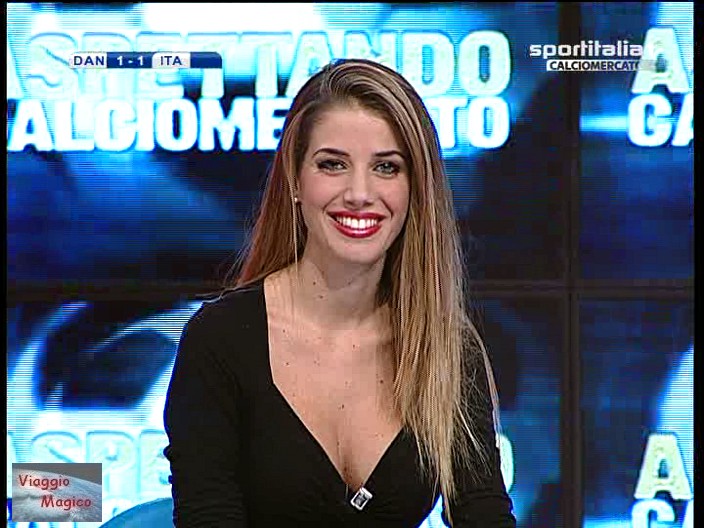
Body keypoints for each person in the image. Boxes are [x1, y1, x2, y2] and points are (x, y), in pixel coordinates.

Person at [163, 58, 516, 527]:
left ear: (415, 190)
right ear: (295, 179)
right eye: (333, 164)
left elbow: (483, 513)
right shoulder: (220, 339)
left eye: (386, 167)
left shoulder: (446, 348)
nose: (359, 193)